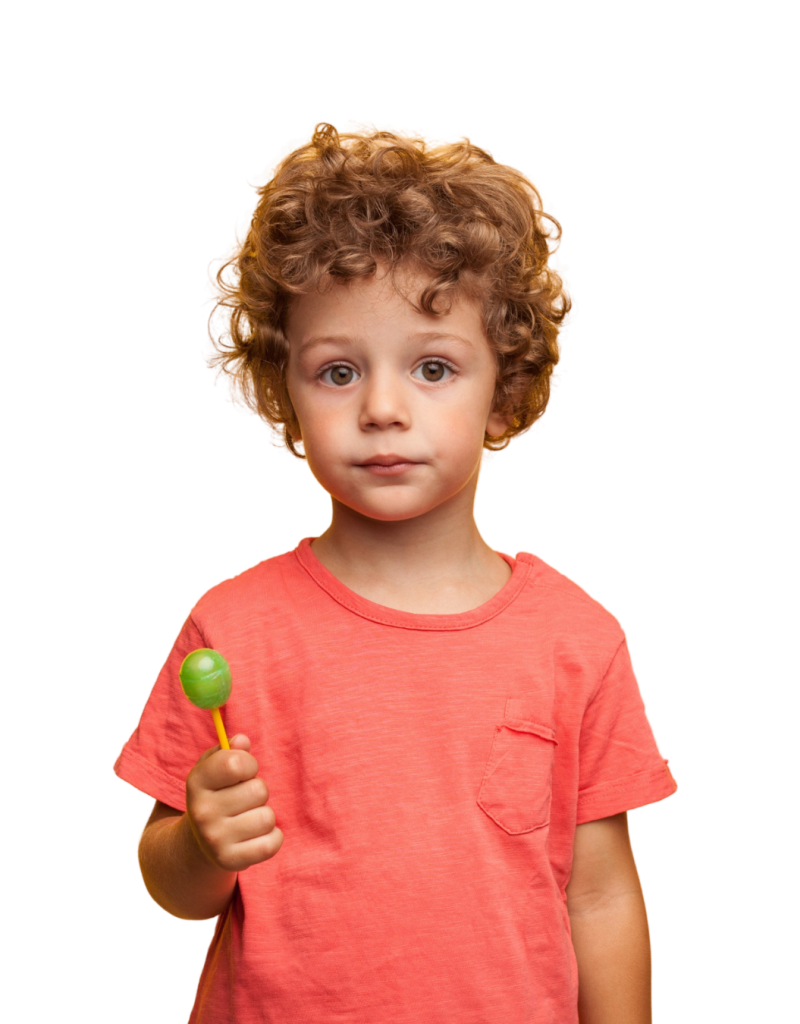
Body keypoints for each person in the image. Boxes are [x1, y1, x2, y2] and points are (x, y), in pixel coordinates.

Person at [113, 119, 676, 1023]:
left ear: (505, 388)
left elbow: (601, 896)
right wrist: (201, 846)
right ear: (282, 390)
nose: (381, 407)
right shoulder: (231, 627)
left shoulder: (578, 637)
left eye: (432, 367)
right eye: (337, 371)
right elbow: (174, 891)